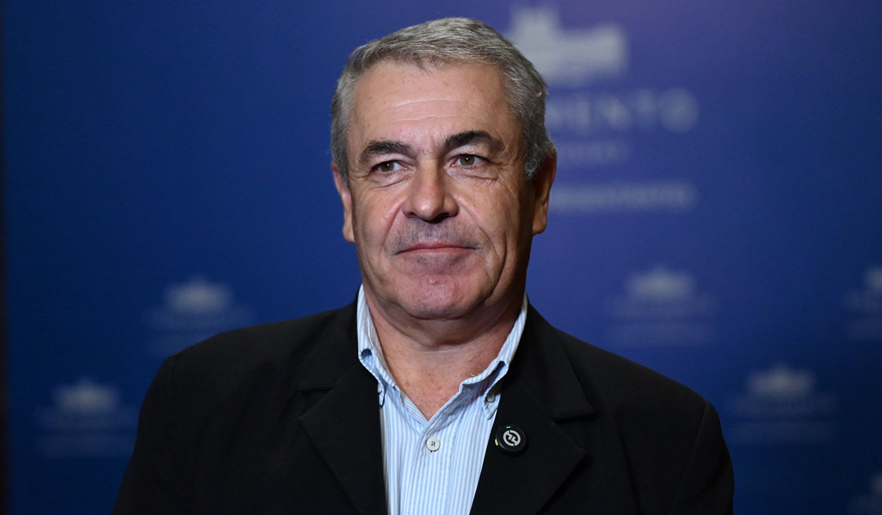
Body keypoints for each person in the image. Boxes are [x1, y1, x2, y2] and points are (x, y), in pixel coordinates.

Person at [113, 17, 733, 515]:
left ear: (538, 191)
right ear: (348, 201)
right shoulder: (203, 401)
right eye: (389, 166)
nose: (429, 202)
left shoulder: (667, 439)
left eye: (469, 160)